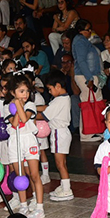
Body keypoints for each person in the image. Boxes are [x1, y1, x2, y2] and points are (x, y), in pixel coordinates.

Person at [5, 74, 45, 218]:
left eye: (27, 91)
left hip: (29, 140)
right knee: (19, 174)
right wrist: (15, 107)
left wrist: (19, 104)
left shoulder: (30, 105)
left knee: (34, 174)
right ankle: (23, 206)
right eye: (21, 91)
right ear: (12, 92)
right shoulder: (7, 107)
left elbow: (24, 118)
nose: (25, 94)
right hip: (15, 141)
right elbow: (14, 124)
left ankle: (39, 207)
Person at [44, 70, 74, 202]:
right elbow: (46, 108)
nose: (49, 92)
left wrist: (29, 115)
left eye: (50, 89)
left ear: (57, 86)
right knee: (63, 162)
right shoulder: (64, 98)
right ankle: (64, 185)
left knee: (59, 163)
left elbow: (45, 115)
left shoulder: (58, 100)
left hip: (58, 133)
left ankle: (67, 190)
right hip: (63, 132)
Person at [72, 23, 105, 142]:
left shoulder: (82, 40)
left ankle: (94, 130)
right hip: (85, 75)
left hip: (89, 74)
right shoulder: (80, 41)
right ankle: (85, 134)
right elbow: (81, 61)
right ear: (81, 30)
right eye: (88, 29)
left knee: (93, 102)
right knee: (87, 103)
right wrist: (89, 78)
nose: (90, 31)